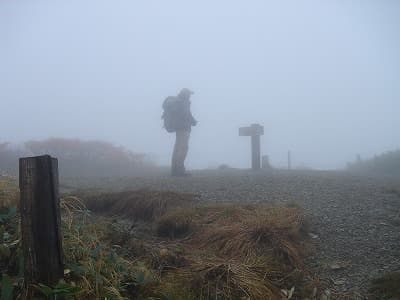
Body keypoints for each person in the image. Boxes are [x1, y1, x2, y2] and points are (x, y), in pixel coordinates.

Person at [162, 88, 197, 176]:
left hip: (178, 127)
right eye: (189, 94)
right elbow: (186, 114)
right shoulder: (184, 101)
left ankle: (174, 170)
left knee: (177, 148)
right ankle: (180, 170)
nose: (190, 96)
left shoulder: (178, 101)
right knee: (183, 148)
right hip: (184, 128)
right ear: (186, 94)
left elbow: (184, 113)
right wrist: (193, 121)